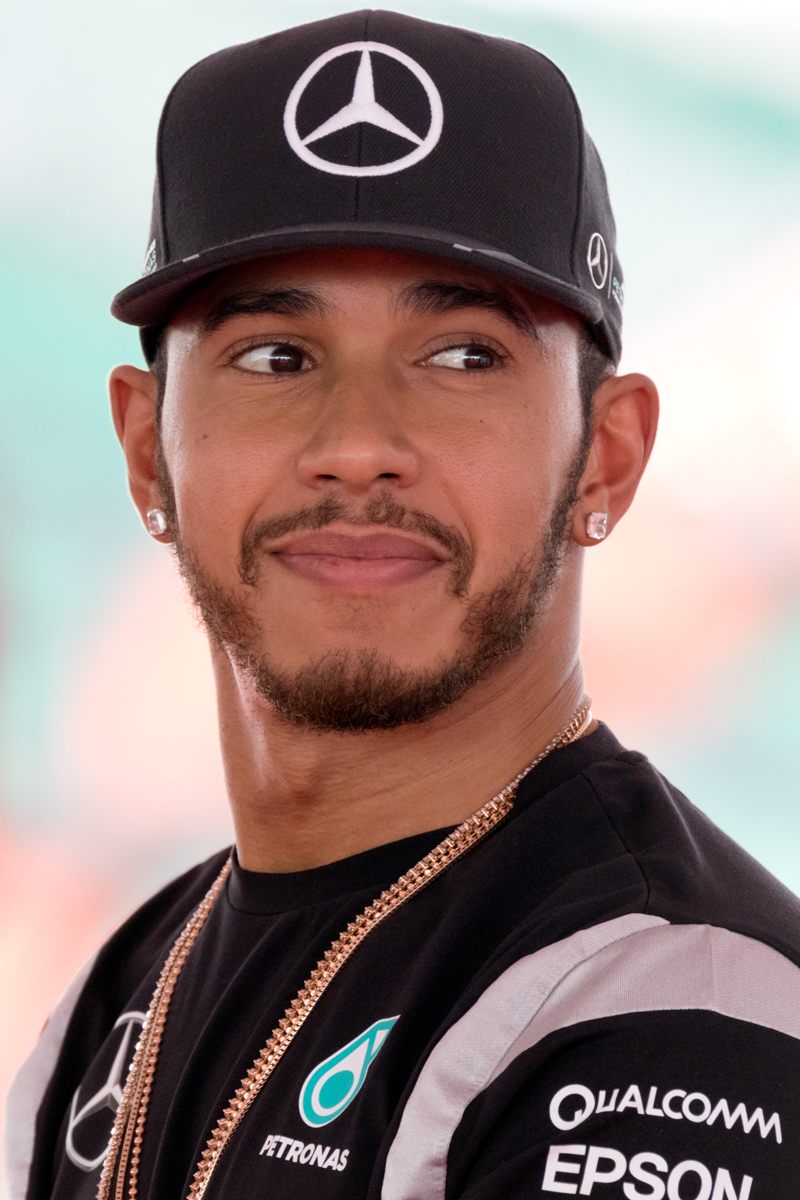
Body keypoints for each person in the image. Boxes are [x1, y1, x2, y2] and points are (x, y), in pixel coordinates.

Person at [6, 10, 800, 1200]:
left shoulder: (686, 1014)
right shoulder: (116, 1001)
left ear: (606, 457)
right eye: (275, 357)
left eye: (463, 357)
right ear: (144, 450)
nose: (357, 445)